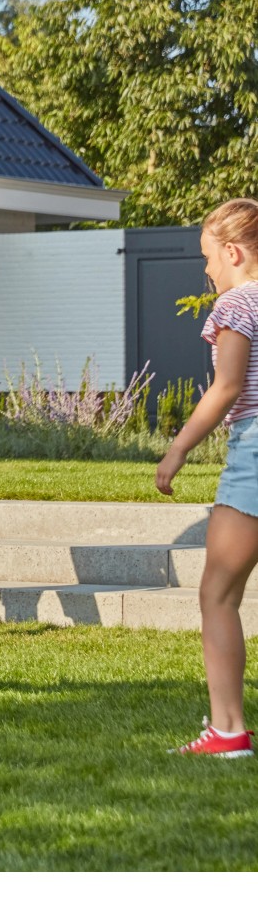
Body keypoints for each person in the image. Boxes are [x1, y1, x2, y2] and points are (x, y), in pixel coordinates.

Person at [155, 198, 258, 758]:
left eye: (209, 258)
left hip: (255, 455)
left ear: (234, 252)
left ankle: (228, 731)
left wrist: (175, 452)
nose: (207, 271)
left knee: (217, 594)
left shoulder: (237, 304)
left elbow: (227, 387)